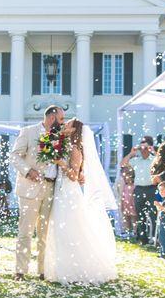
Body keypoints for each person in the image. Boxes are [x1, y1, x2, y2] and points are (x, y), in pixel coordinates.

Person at [44, 119, 117, 284]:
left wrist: (61, 163)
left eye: (68, 124)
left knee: (71, 229)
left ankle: (76, 269)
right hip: (60, 192)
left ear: (74, 130)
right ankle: (60, 268)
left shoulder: (76, 150)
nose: (64, 125)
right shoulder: (64, 145)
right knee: (59, 230)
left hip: (69, 194)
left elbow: (74, 176)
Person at [11, 105, 64, 280]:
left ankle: (43, 270)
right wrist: (28, 171)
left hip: (51, 188)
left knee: (45, 231)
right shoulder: (28, 132)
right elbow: (15, 156)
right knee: (25, 231)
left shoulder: (60, 136)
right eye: (61, 119)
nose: (62, 122)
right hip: (30, 187)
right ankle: (21, 270)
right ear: (51, 118)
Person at [120, 136, 156, 244]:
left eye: (146, 147)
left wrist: (153, 151)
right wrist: (131, 153)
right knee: (140, 215)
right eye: (142, 147)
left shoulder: (154, 159)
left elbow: (162, 162)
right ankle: (142, 238)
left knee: (153, 214)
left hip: (151, 189)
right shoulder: (136, 160)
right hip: (139, 189)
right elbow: (122, 164)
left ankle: (154, 238)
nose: (143, 150)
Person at [115, 166, 137, 237]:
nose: (127, 180)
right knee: (126, 218)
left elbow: (133, 196)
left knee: (133, 218)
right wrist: (121, 204)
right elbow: (122, 196)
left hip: (132, 204)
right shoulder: (124, 186)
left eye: (129, 178)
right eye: (126, 178)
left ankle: (134, 231)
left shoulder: (134, 186)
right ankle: (127, 231)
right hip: (125, 204)